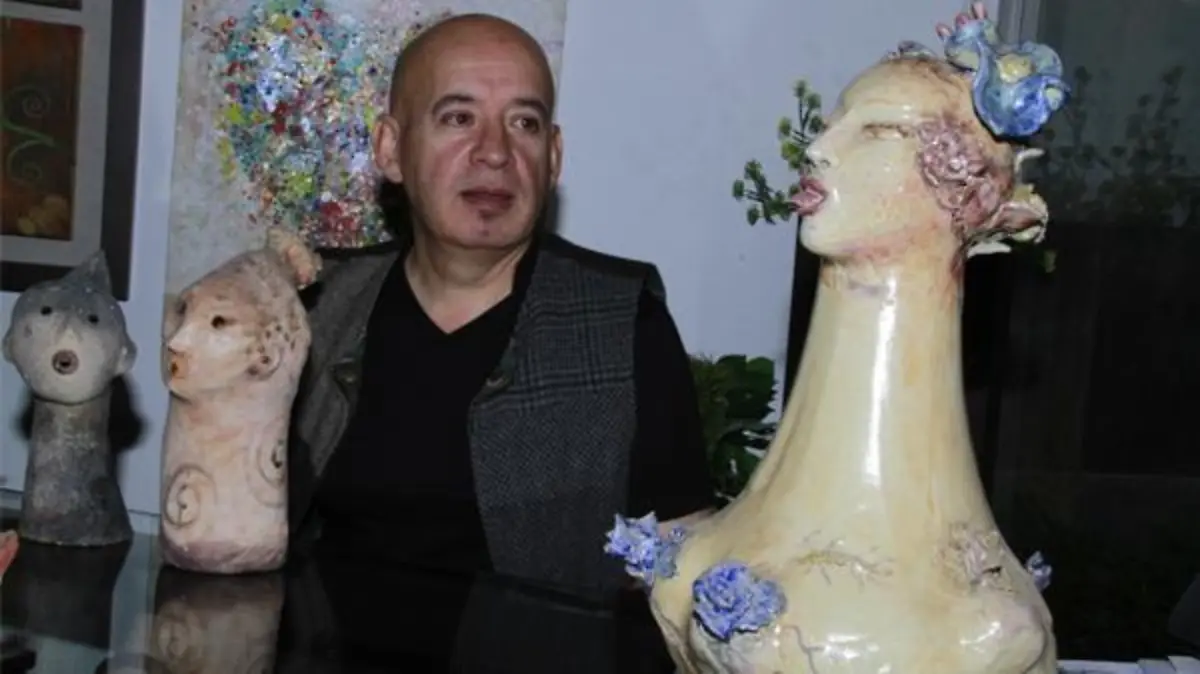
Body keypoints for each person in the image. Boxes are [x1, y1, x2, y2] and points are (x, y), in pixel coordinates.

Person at [285, 13, 715, 604]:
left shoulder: (624, 324)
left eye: (524, 123)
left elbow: (681, 572)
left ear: (553, 158)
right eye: (459, 118)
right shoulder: (313, 310)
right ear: (390, 149)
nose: (495, 152)